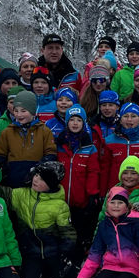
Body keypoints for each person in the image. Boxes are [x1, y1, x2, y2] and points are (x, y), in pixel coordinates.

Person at [65, 187, 139, 278]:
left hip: (133, 269)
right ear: (107, 204)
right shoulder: (104, 225)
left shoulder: (137, 223)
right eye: (112, 202)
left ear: (127, 205)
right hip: (110, 266)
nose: (116, 206)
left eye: (120, 203)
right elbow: (95, 254)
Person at [11, 160, 79, 278]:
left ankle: (54, 269)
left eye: (42, 179)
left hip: (54, 252)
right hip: (32, 252)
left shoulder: (59, 205)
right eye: (36, 175)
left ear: (51, 185)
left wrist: (65, 253)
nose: (36, 180)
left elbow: (68, 233)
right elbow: (3, 193)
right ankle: (43, 270)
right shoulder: (22, 194)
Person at [55, 104, 102, 249]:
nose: (75, 123)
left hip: (80, 201)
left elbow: (93, 172)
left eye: (79, 120)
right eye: (72, 120)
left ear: (84, 123)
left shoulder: (89, 147)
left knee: (79, 233)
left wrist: (92, 194)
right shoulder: (59, 144)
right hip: (60, 200)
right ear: (67, 122)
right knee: (61, 233)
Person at [0, 89, 58, 188]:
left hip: (36, 180)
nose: (19, 115)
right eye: (16, 111)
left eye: (23, 111)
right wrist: (3, 169)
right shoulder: (8, 132)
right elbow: (1, 153)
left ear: (33, 111)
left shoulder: (44, 131)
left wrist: (39, 168)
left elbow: (50, 152)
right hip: (14, 179)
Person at [100, 102, 139, 198]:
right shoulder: (109, 141)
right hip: (115, 191)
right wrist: (103, 193)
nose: (129, 120)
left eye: (133, 116)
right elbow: (105, 169)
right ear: (120, 120)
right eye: (125, 116)